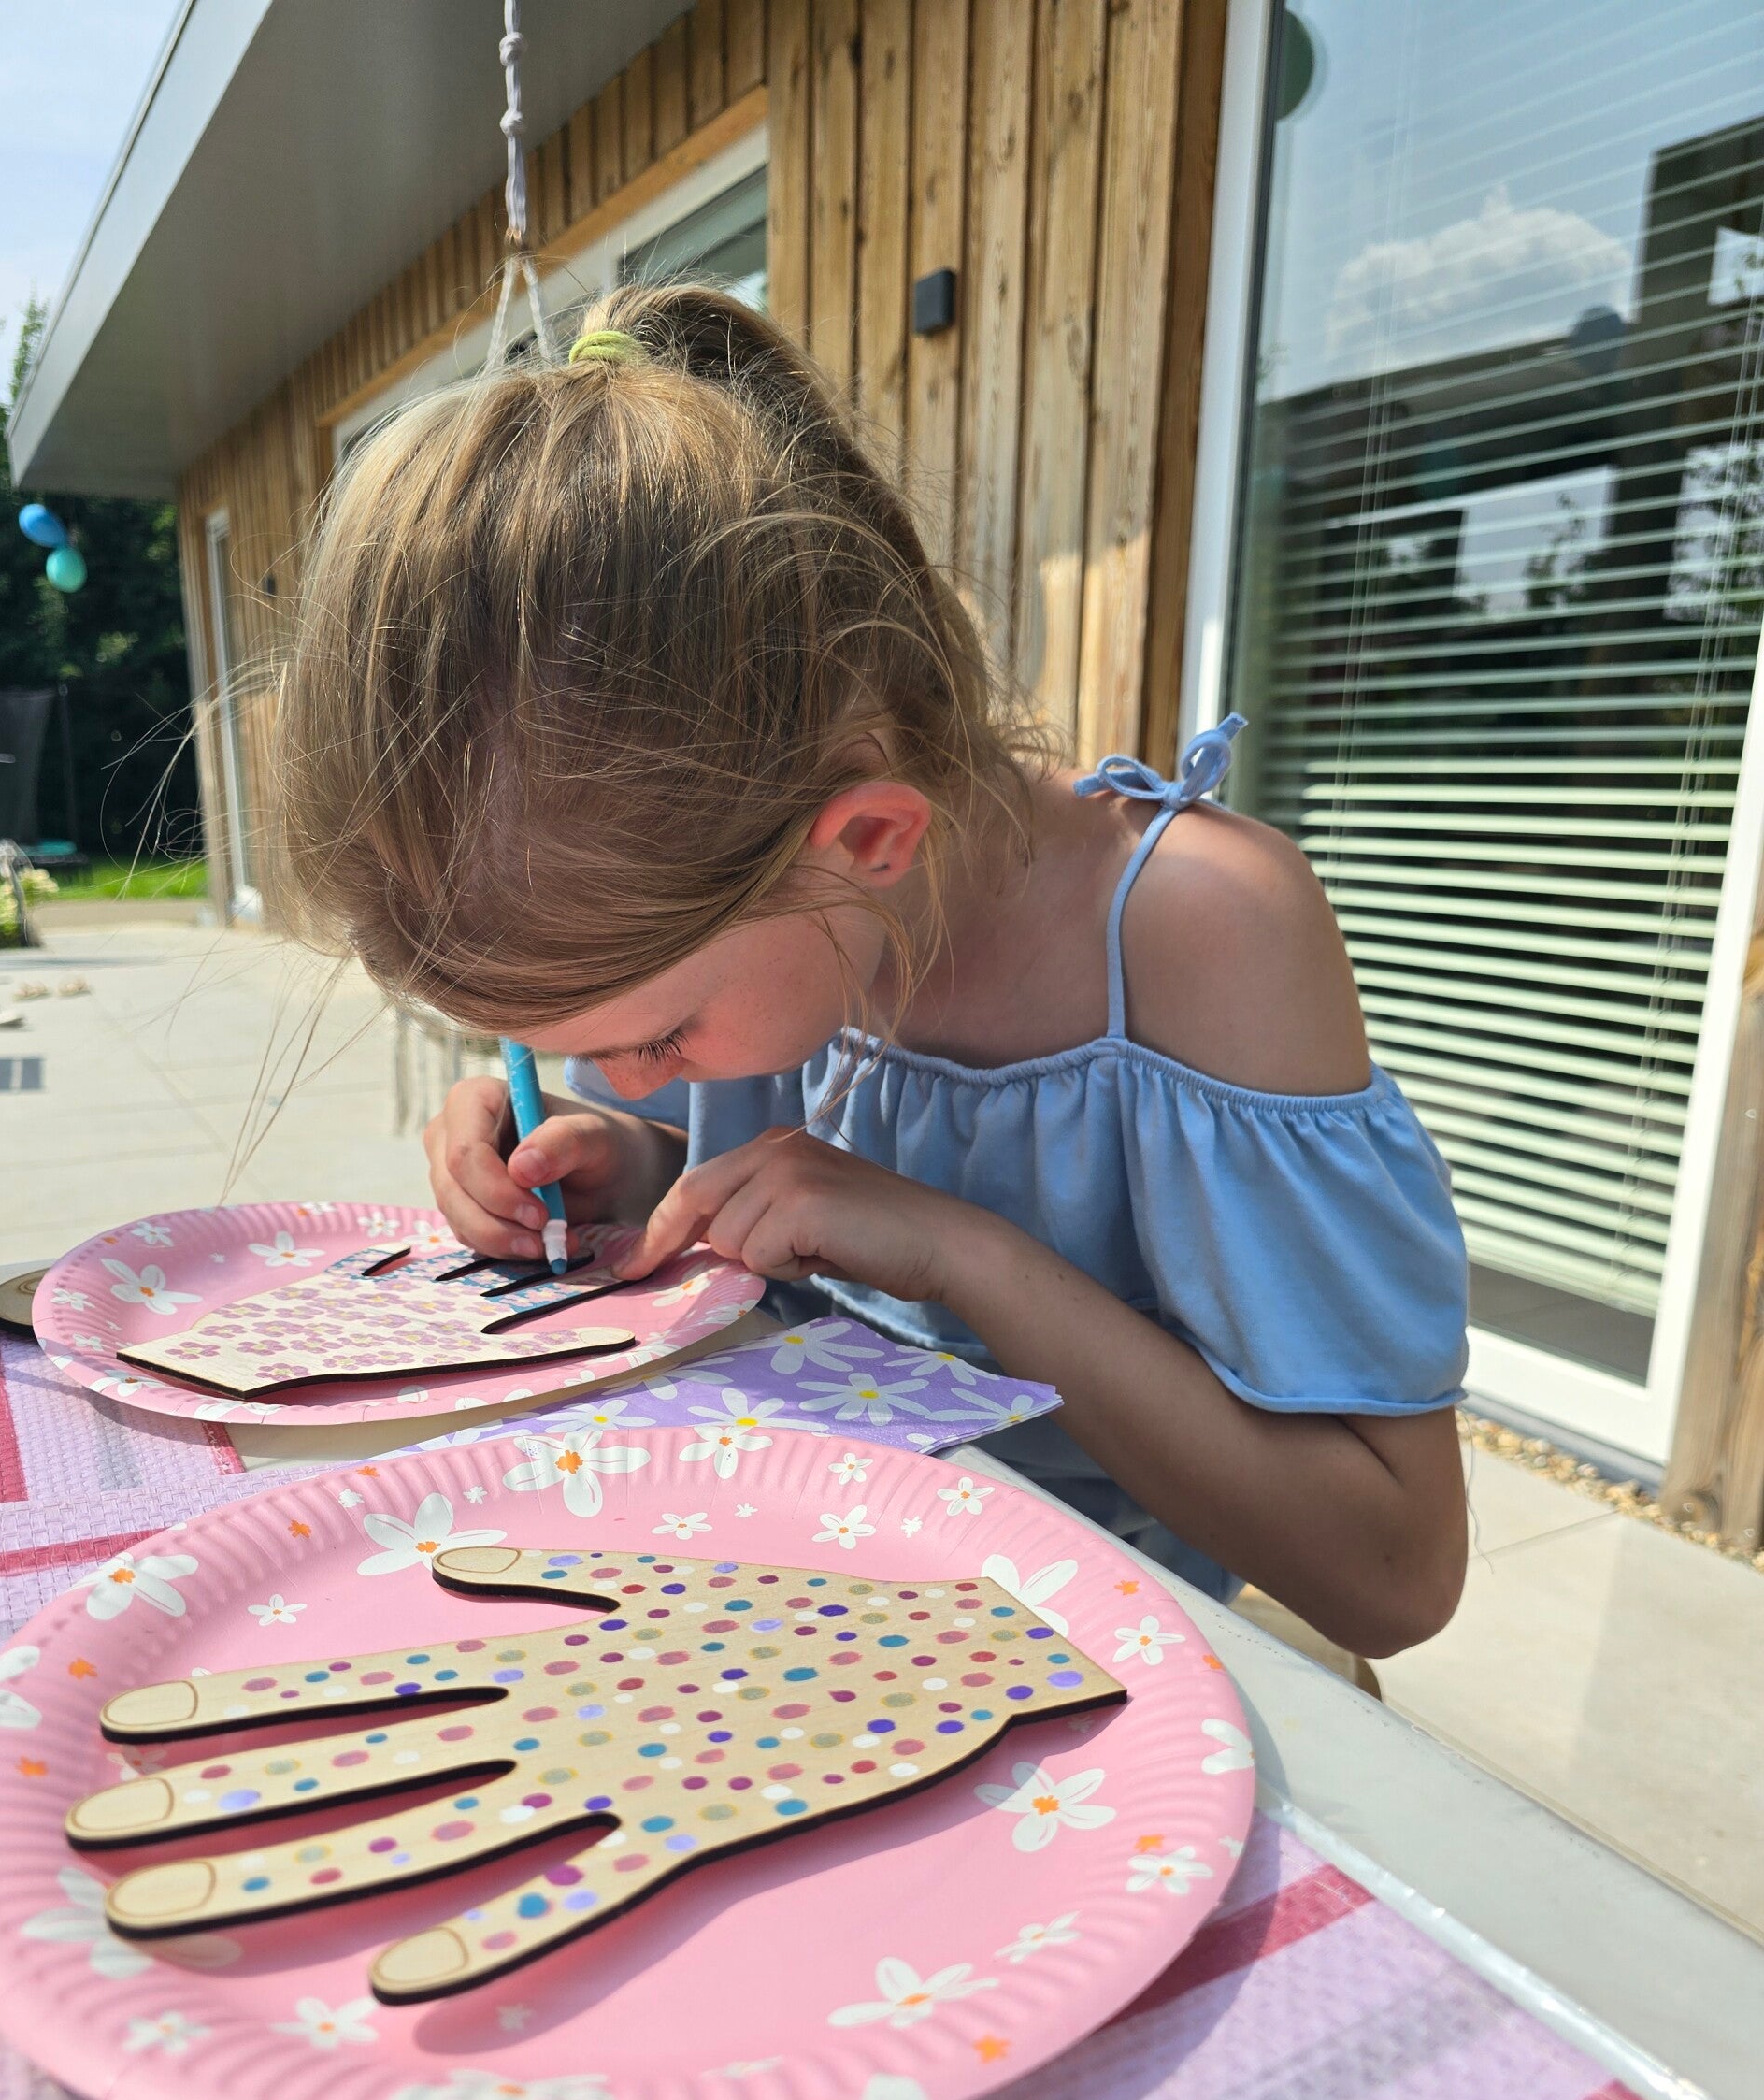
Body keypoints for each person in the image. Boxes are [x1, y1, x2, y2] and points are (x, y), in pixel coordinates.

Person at [269, 284, 1469, 1658]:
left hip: (1092, 1651)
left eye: (655, 1039)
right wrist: (625, 1160)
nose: (623, 1079)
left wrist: (967, 1258)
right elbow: (757, 1184)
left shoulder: (1195, 930)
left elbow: (1393, 1574)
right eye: (558, 1050)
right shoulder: (780, 927)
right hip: (789, 1596)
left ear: (865, 842)